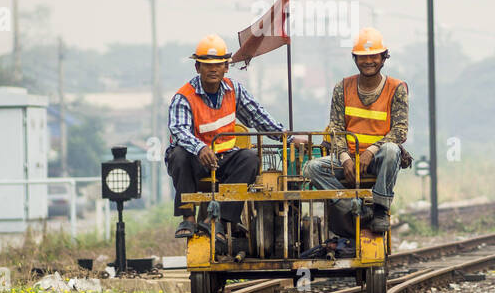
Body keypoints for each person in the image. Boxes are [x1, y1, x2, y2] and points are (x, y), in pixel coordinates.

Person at [166, 33, 287, 241]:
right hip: (195, 161)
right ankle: (189, 218)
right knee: (178, 155)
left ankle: (218, 221)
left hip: (224, 158)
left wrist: (288, 138)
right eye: (206, 64)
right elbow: (179, 130)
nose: (213, 69)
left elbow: (259, 118)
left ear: (226, 67)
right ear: (197, 68)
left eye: (218, 64)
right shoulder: (184, 97)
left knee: (250, 159)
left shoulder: (234, 90)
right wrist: (200, 148)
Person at [304, 27, 410, 234]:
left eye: (373, 56)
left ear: (383, 57)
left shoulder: (396, 89)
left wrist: (371, 151)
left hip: (378, 159)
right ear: (355, 59)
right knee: (311, 168)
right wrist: (345, 158)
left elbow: (400, 131)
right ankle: (356, 207)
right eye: (363, 57)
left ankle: (380, 209)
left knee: (391, 150)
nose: (368, 61)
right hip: (348, 159)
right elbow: (336, 127)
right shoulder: (342, 87)